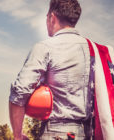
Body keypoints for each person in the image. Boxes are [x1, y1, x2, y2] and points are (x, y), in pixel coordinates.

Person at [9, 0, 94, 139]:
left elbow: (19, 92)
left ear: (52, 17)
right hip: (89, 134)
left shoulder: (45, 47)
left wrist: (18, 135)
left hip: (55, 133)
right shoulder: (95, 51)